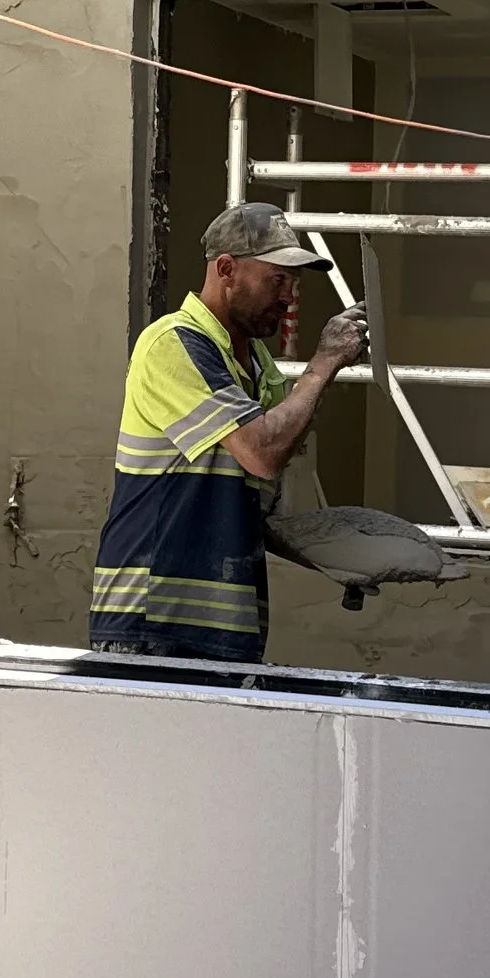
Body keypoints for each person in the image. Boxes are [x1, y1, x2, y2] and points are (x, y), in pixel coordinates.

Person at [89, 204, 367, 662]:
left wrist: (343, 558)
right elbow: (262, 451)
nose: (289, 296)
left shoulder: (259, 365)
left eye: (294, 282)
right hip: (152, 622)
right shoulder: (174, 344)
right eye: (277, 279)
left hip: (226, 622)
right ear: (226, 270)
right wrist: (323, 364)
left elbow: (260, 502)